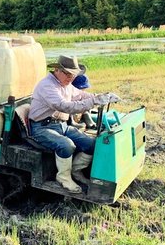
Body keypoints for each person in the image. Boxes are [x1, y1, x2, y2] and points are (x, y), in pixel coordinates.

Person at [28, 55, 119, 193]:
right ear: (57, 70)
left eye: (73, 74)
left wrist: (100, 96)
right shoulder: (47, 85)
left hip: (61, 125)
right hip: (41, 128)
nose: (71, 78)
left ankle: (76, 172)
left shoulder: (66, 85)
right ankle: (64, 178)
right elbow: (64, 106)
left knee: (91, 144)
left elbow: (81, 95)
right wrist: (93, 102)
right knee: (66, 145)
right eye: (68, 74)